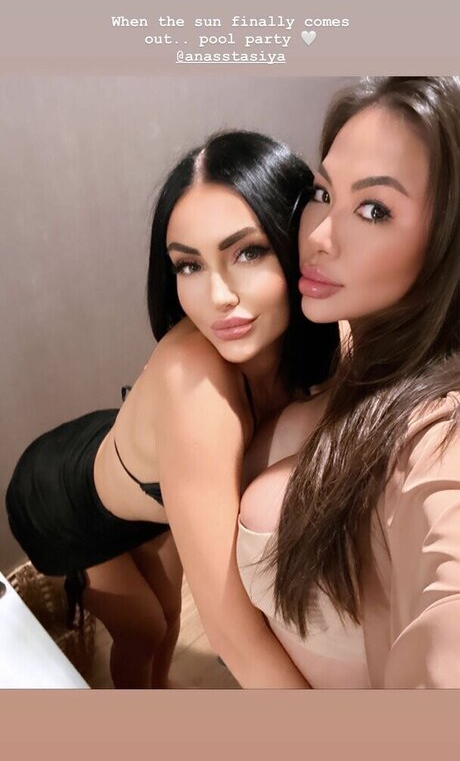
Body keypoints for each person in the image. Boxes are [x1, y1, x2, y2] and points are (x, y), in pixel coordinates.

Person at [5, 130, 339, 689]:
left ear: (295, 240)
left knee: (165, 618)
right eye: (189, 266)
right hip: (61, 500)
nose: (218, 297)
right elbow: (233, 632)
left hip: (134, 470)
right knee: (146, 630)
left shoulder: (321, 334)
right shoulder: (196, 386)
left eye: (248, 252)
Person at [237, 77, 460, 688]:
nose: (318, 236)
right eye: (322, 192)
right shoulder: (358, 344)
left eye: (374, 209)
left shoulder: (436, 426)